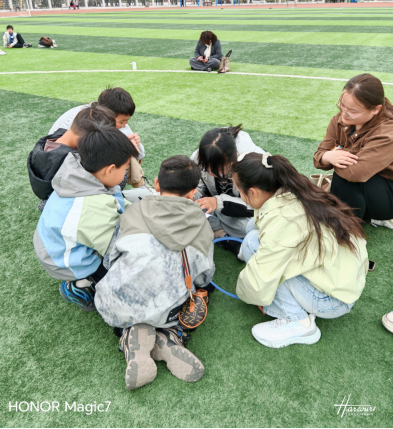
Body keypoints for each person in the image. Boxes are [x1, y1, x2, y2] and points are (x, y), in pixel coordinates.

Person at [95, 156, 215, 391]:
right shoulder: (202, 225)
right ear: (193, 192)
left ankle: (131, 334)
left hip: (115, 304)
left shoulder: (133, 212)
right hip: (167, 312)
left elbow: (110, 259)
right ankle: (168, 337)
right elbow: (204, 276)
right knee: (203, 289)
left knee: (123, 296)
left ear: (157, 183)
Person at [232, 152, 369, 349]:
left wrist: (248, 292)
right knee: (252, 233)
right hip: (341, 281)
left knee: (253, 247)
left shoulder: (283, 219)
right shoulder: (293, 188)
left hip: (332, 300)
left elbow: (263, 273)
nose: (240, 195)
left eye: (239, 191)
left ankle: (299, 324)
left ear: (253, 192)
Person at [33, 126, 139, 312]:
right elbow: (117, 250)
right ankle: (79, 285)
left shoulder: (81, 171)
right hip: (64, 261)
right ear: (110, 170)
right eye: (125, 169)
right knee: (129, 284)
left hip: (54, 243)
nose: (125, 173)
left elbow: (118, 203)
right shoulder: (92, 208)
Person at [314, 74, 393, 230]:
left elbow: (356, 172)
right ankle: (359, 217)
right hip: (370, 181)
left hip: (391, 191)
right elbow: (318, 157)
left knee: (344, 177)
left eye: (352, 110)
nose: (344, 112)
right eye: (341, 104)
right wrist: (328, 156)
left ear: (376, 109)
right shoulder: (340, 119)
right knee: (343, 172)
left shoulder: (390, 131)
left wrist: (337, 157)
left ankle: (351, 232)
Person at [48, 87, 146, 191]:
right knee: (122, 152)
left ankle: (140, 188)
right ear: (109, 116)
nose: (124, 125)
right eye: (122, 122)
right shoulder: (95, 124)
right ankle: (139, 189)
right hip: (67, 174)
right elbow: (135, 152)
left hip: (54, 166)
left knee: (123, 145)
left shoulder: (88, 112)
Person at [191, 125, 265, 256]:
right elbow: (197, 186)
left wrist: (218, 202)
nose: (211, 174)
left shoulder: (254, 165)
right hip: (216, 209)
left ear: (232, 161)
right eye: (206, 169)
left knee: (251, 226)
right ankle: (225, 237)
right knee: (189, 207)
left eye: (217, 170)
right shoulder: (199, 158)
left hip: (247, 212)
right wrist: (192, 195)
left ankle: (218, 233)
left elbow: (259, 206)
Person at [27, 104, 117, 211]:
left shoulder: (51, 142)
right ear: (87, 138)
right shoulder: (70, 161)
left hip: (50, 195)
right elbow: (99, 184)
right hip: (67, 206)